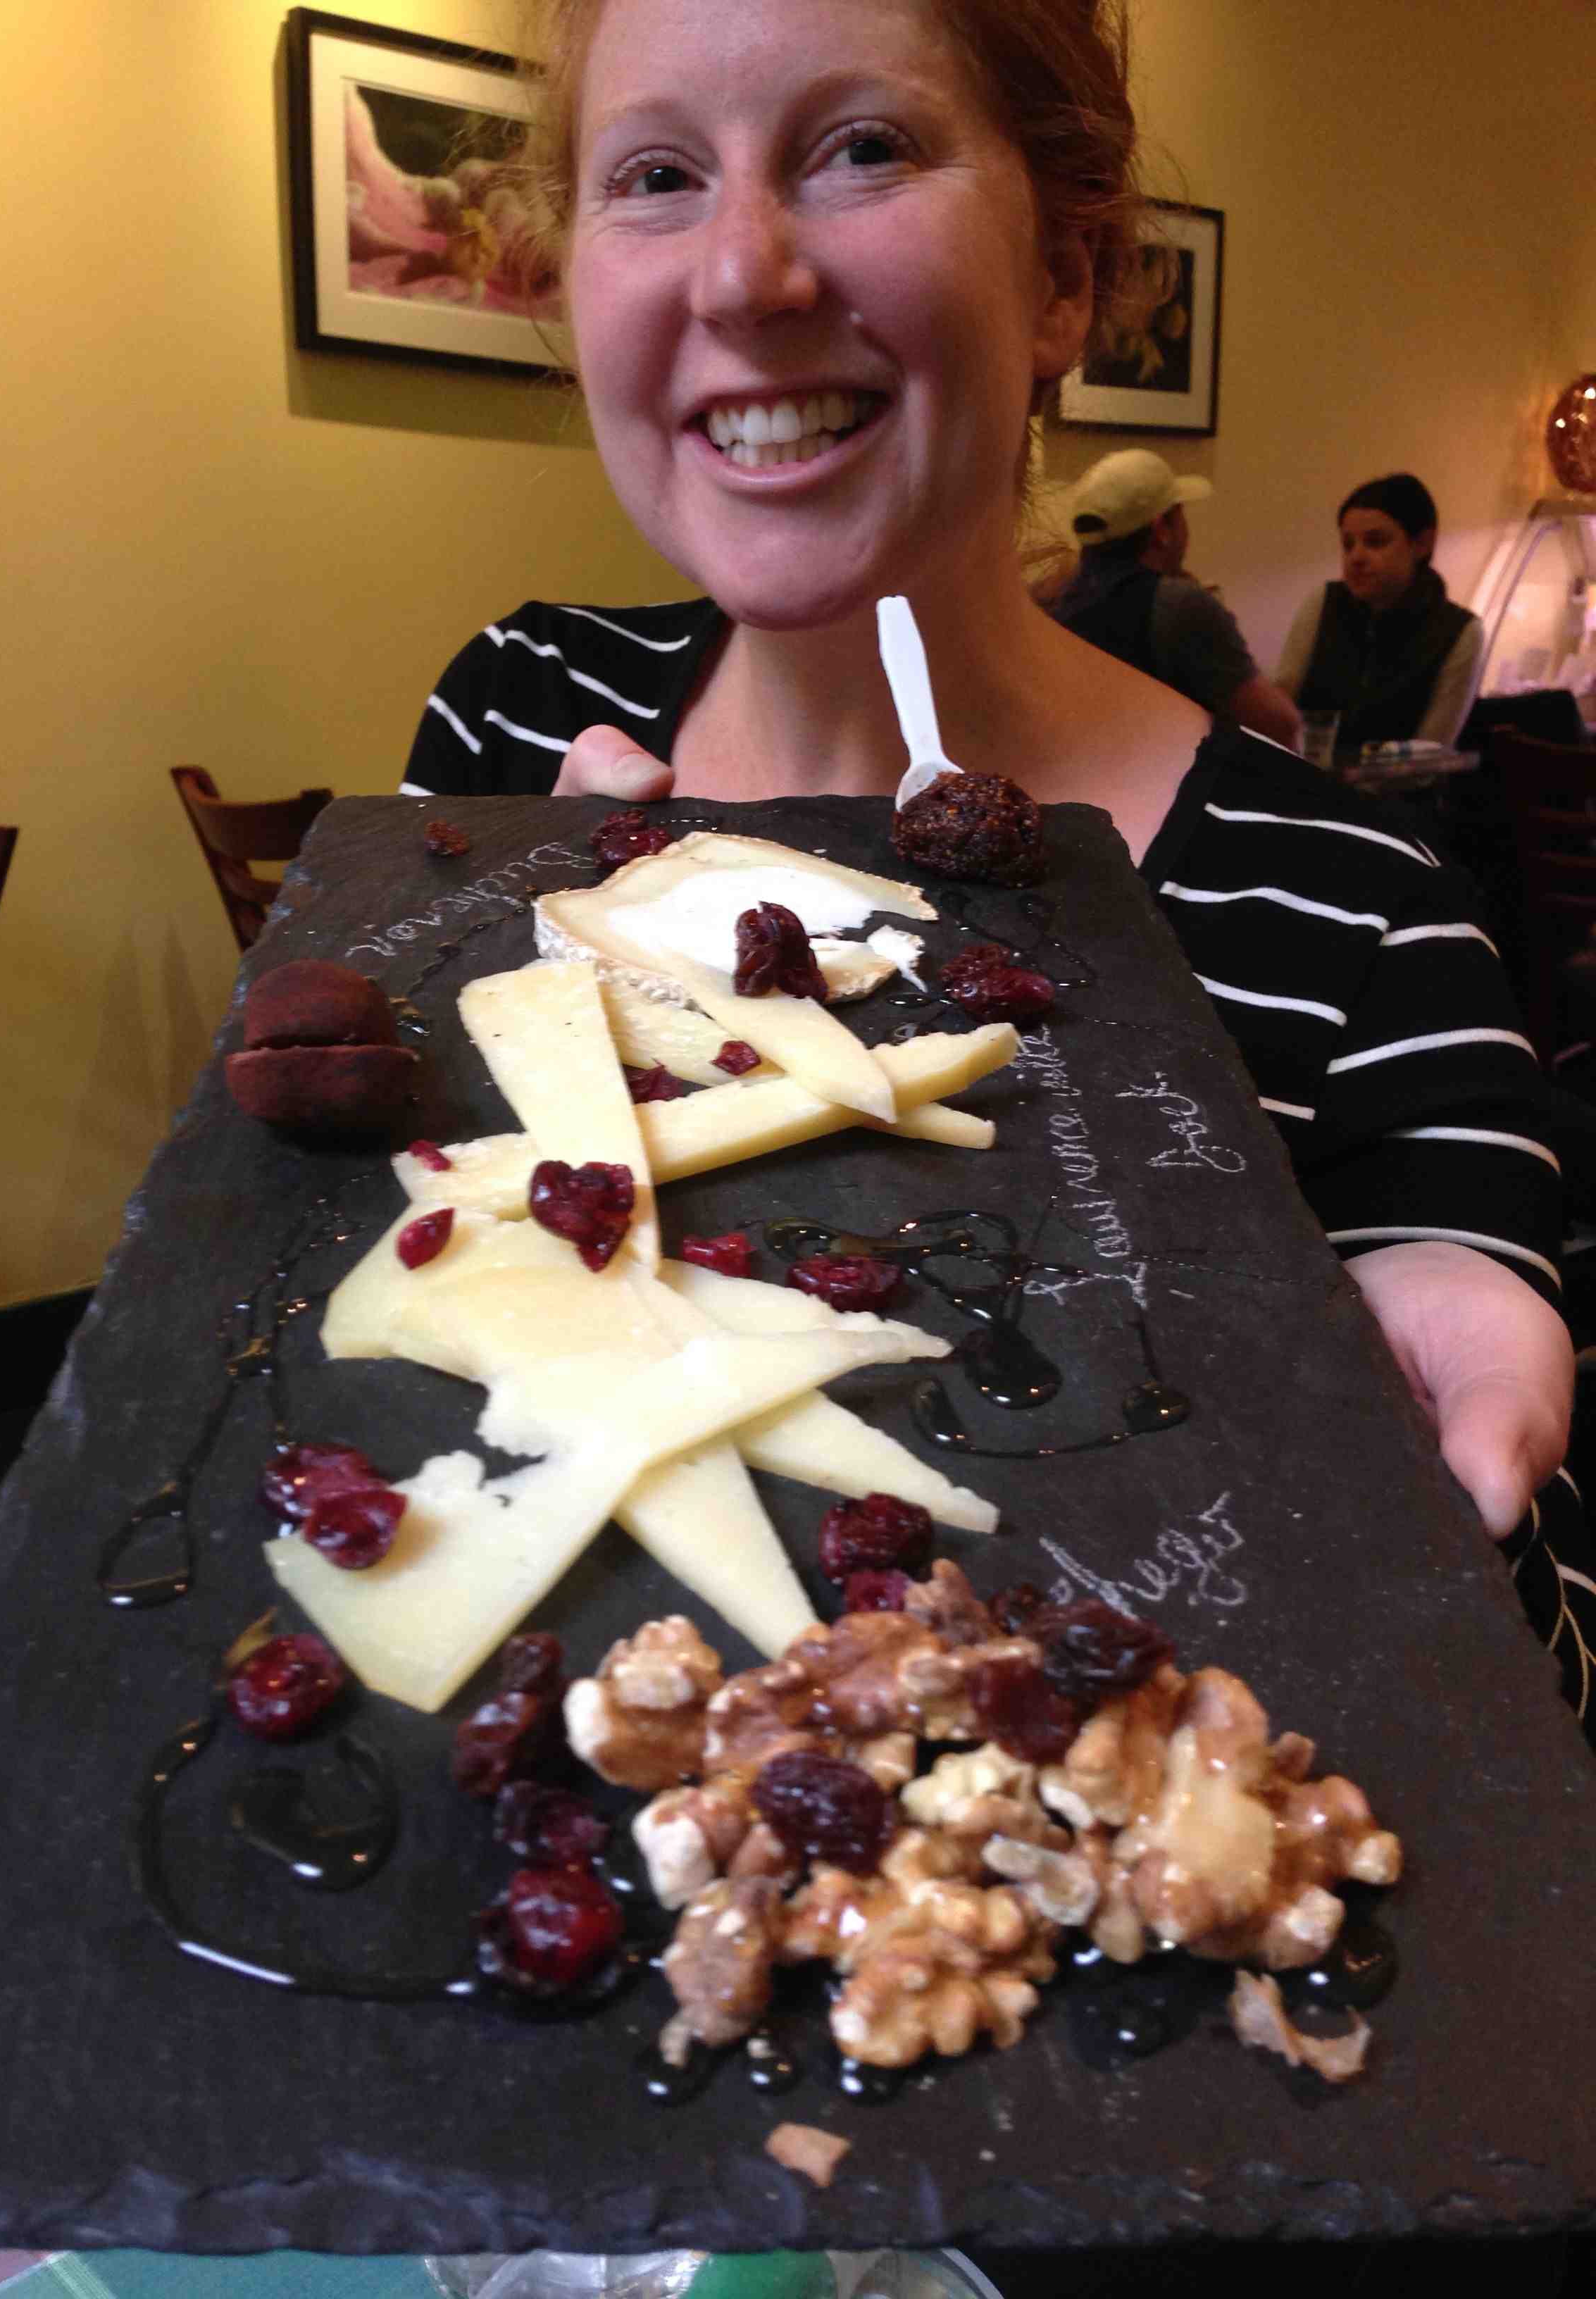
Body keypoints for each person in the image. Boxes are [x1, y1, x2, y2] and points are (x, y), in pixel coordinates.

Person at [400, 0, 1586, 1731]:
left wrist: (1403, 1405)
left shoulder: (1357, 914)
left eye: (862, 147)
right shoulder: (512, 720)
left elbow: (1513, 1726)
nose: (742, 273)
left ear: (1065, 278)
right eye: (654, 175)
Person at [1046, 447, 1302, 749]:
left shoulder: (1053, 598)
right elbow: (1280, 724)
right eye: (1180, 514)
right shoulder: (1180, 605)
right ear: (1161, 530)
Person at [1276, 473, 1483, 747]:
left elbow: (1434, 747)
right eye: (1348, 545)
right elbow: (1280, 703)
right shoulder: (1324, 602)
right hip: (1302, 770)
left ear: (1422, 544)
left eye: (1375, 542)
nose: (1356, 557)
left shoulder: (1459, 632)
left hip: (1398, 776)